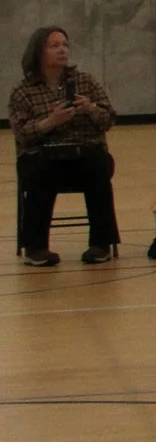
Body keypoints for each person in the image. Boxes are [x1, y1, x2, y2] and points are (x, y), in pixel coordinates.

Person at [11, 26, 118, 266]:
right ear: (39, 53)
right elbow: (22, 134)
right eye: (54, 45)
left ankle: (101, 244)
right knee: (41, 172)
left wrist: (90, 108)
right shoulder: (23, 91)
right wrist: (51, 121)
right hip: (43, 154)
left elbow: (109, 119)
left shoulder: (85, 81)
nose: (62, 50)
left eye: (65, 45)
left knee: (98, 167)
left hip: (84, 151)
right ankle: (35, 247)